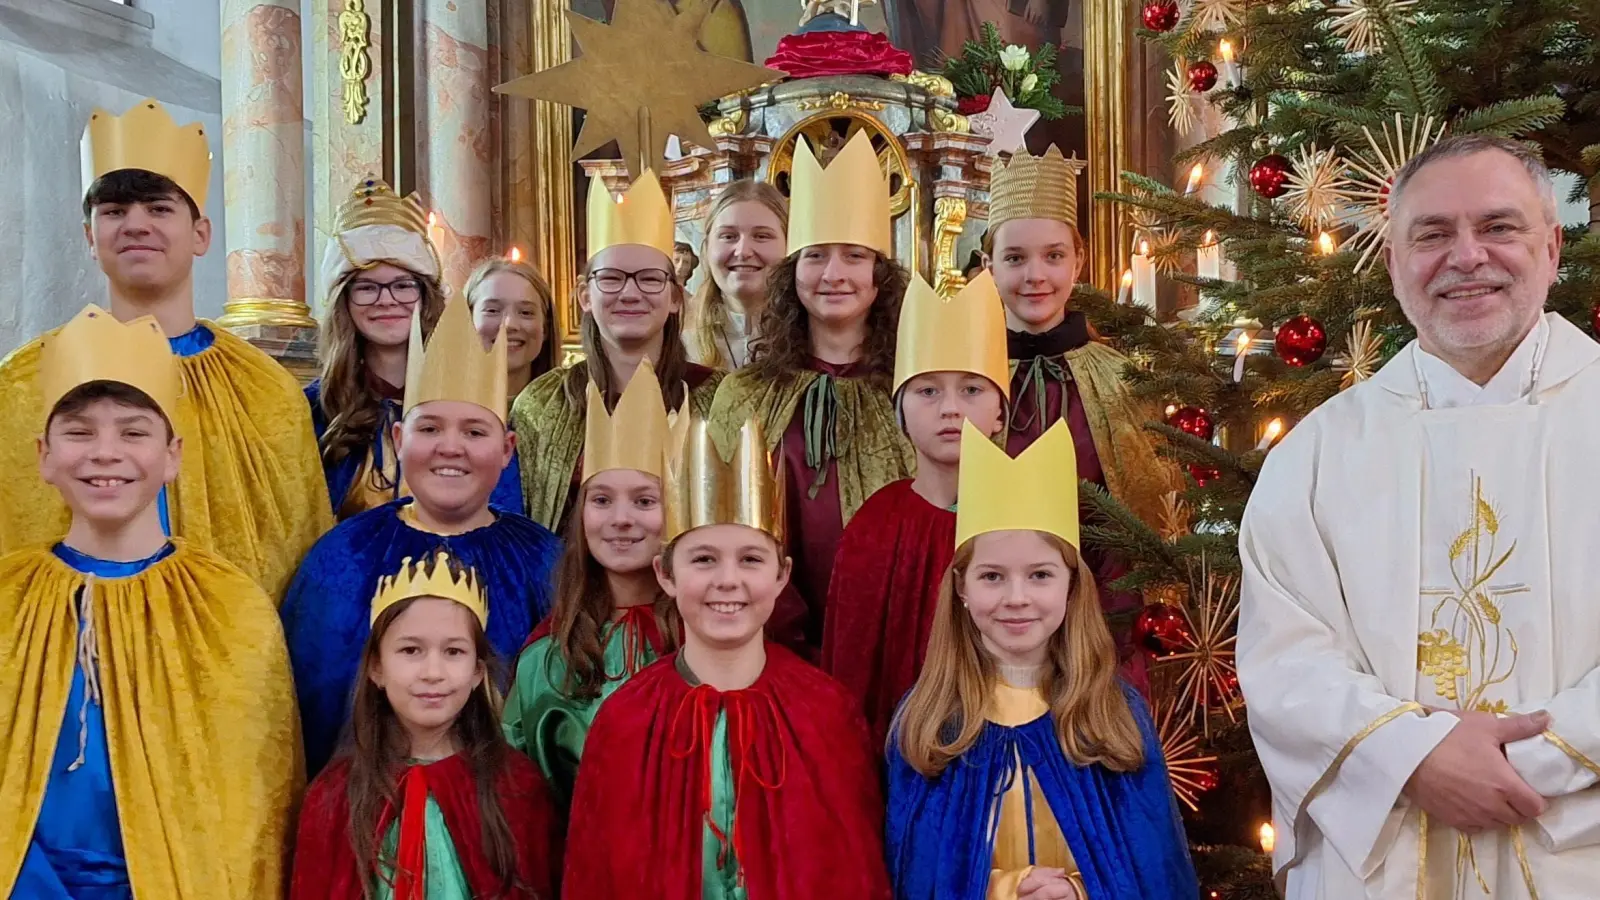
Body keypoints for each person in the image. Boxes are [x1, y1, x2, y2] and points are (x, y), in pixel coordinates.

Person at [1239, 135, 1600, 899]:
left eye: (1499, 227)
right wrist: (1414, 759)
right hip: (1390, 850)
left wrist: (1522, 763)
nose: (1467, 257)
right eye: (1431, 235)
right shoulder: (1317, 455)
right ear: (1394, 262)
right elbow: (1287, 662)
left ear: (1552, 246)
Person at [1, 305, 302, 898]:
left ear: (172, 456)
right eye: (79, 430)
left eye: (134, 431)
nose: (105, 452)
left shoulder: (228, 608)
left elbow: (250, 817)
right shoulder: (8, 598)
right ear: (42, 455)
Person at [0, 98, 330, 600]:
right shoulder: (22, 383)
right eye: (114, 211)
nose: (135, 224)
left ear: (200, 234)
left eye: (159, 208)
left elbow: (300, 559)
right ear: (91, 238)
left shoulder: (267, 392)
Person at [562, 417, 892, 899]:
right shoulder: (626, 720)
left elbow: (853, 870)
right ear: (666, 574)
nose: (727, 581)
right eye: (703, 559)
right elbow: (597, 873)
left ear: (782, 576)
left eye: (751, 560)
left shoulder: (826, 712)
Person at [886, 420, 1197, 900]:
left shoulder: (1112, 715)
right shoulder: (931, 721)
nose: (1017, 598)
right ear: (961, 590)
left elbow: (1153, 870)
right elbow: (915, 873)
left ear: (1072, 587)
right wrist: (1005, 889)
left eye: (1039, 575)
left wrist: (1074, 891)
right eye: (991, 576)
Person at [282, 295, 561, 776]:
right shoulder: (343, 556)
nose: (450, 447)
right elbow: (313, 703)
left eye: (475, 432)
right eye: (429, 428)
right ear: (397, 439)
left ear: (507, 450)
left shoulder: (544, 561)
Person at [708, 130, 916, 649]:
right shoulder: (747, 392)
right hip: (772, 637)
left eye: (854, 256)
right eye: (816, 255)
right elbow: (723, 521)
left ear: (880, 275)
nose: (834, 274)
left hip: (898, 632)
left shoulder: (916, 388)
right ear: (792, 273)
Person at [985, 145, 1179, 673]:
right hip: (992, 624)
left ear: (1079, 261)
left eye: (1053, 255)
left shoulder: (1117, 377)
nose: (1035, 276)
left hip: (1102, 619)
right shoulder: (968, 380)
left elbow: (1145, 510)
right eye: (1015, 258)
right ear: (988, 265)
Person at [290, 552, 560, 899]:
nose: (432, 673)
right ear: (377, 668)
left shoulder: (517, 788)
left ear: (478, 672)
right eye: (411, 650)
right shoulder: (335, 796)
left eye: (453, 652)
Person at [822, 270, 1010, 747]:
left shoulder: (1025, 516)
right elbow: (852, 668)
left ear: (1001, 412)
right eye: (928, 390)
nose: (950, 408)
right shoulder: (875, 526)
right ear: (899, 409)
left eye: (971, 389)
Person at [503, 359, 684, 806]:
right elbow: (524, 793)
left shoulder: (709, 642)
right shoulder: (547, 658)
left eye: (645, 501)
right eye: (601, 500)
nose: (621, 519)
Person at [512, 169, 723, 533]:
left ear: (675, 297)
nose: (629, 293)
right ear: (584, 297)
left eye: (650, 278)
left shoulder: (719, 398)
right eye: (610, 278)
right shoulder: (542, 404)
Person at [308, 175, 461, 521]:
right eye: (366, 287)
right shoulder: (313, 409)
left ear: (425, 296)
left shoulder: (466, 399)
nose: (387, 300)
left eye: (403, 285)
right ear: (343, 302)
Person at [683, 180, 790, 369]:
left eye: (761, 236)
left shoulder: (815, 342)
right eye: (728, 236)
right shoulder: (678, 344)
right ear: (707, 248)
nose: (743, 251)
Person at [465, 255, 555, 403]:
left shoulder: (576, 409)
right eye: (492, 310)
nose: (509, 324)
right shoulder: (433, 405)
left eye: (526, 312)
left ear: (545, 327)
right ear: (467, 320)